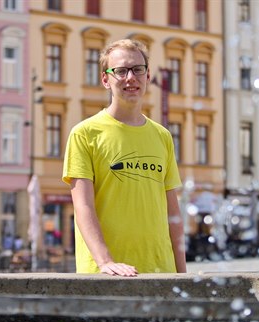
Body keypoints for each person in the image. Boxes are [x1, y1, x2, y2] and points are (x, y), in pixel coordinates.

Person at [62, 39, 186, 277]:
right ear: (105, 79)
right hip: (105, 274)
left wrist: (182, 275)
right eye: (120, 71)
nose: (131, 78)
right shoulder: (85, 134)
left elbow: (173, 214)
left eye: (138, 69)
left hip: (160, 272)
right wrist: (106, 262)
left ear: (148, 76)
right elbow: (83, 207)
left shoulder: (162, 136)